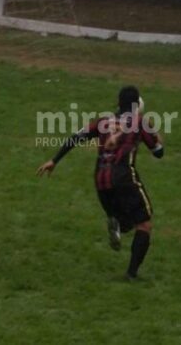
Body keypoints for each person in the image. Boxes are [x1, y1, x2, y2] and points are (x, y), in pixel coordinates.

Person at [37, 86, 164, 280]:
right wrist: (158, 137)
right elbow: (158, 153)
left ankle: (117, 222)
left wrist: (54, 160)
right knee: (144, 224)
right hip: (123, 178)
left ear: (118, 103)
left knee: (129, 222)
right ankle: (131, 274)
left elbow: (76, 137)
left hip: (101, 181)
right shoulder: (140, 122)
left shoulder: (103, 121)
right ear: (137, 105)